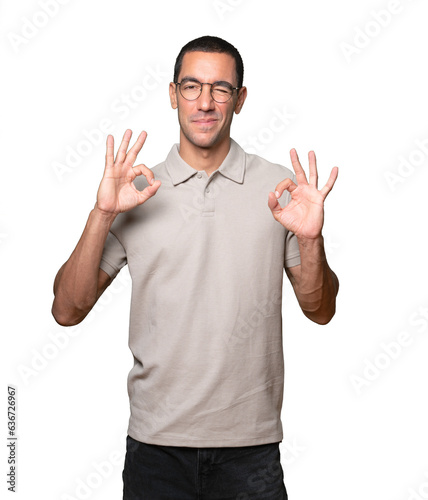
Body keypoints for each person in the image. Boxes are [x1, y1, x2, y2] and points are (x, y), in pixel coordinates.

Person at [52, 35, 339, 499]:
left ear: (240, 100)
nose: (205, 102)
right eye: (192, 86)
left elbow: (320, 309)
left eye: (220, 89)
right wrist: (103, 213)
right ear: (172, 94)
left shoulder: (280, 189)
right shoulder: (137, 188)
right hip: (156, 450)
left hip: (252, 450)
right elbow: (67, 309)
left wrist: (311, 239)